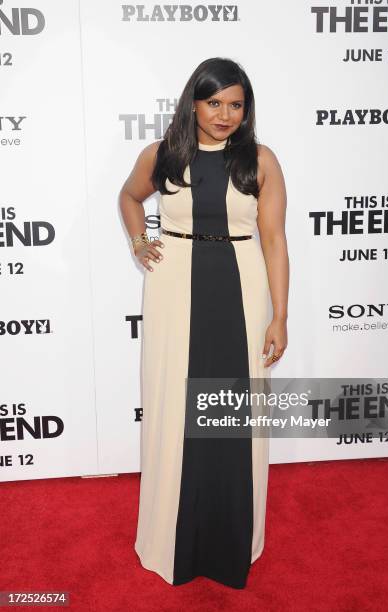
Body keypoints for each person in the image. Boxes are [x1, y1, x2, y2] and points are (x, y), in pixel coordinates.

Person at [119, 57, 289, 589]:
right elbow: (129, 197)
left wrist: (280, 315)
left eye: (235, 104)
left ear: (247, 108)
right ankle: (170, 540)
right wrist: (140, 239)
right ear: (193, 101)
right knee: (175, 408)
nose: (224, 114)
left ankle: (231, 537)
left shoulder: (259, 160)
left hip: (241, 286)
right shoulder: (163, 155)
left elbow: (274, 240)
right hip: (174, 289)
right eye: (214, 102)